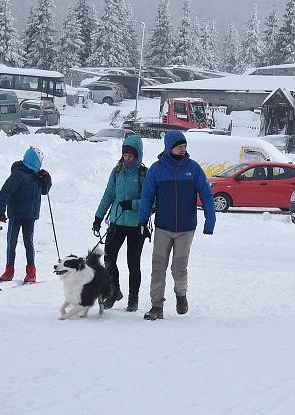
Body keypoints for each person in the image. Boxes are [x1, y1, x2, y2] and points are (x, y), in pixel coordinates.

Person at [137, 131, 216, 321]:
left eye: (184, 146)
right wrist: (142, 220)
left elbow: (206, 194)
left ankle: (181, 295)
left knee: (179, 267)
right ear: (169, 147)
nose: (183, 149)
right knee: (158, 266)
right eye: (179, 146)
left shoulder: (193, 168)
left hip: (186, 227)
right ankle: (156, 306)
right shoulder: (156, 170)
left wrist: (210, 220)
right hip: (163, 226)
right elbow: (147, 196)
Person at [93, 134, 148, 312]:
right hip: (116, 221)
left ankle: (133, 298)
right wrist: (98, 217)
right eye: (125, 155)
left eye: (132, 156)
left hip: (136, 224)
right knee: (109, 257)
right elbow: (109, 194)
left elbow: (151, 201)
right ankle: (114, 291)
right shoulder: (117, 171)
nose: (128, 159)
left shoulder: (143, 174)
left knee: (133, 263)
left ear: (138, 155)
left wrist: (132, 204)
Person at [0, 147, 52, 283]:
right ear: (34, 160)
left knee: (29, 243)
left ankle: (31, 272)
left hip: (30, 216)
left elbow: (45, 190)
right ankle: (9, 270)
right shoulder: (18, 174)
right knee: (11, 242)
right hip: (15, 214)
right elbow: (5, 192)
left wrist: (47, 178)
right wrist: (1, 210)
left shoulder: (37, 176)